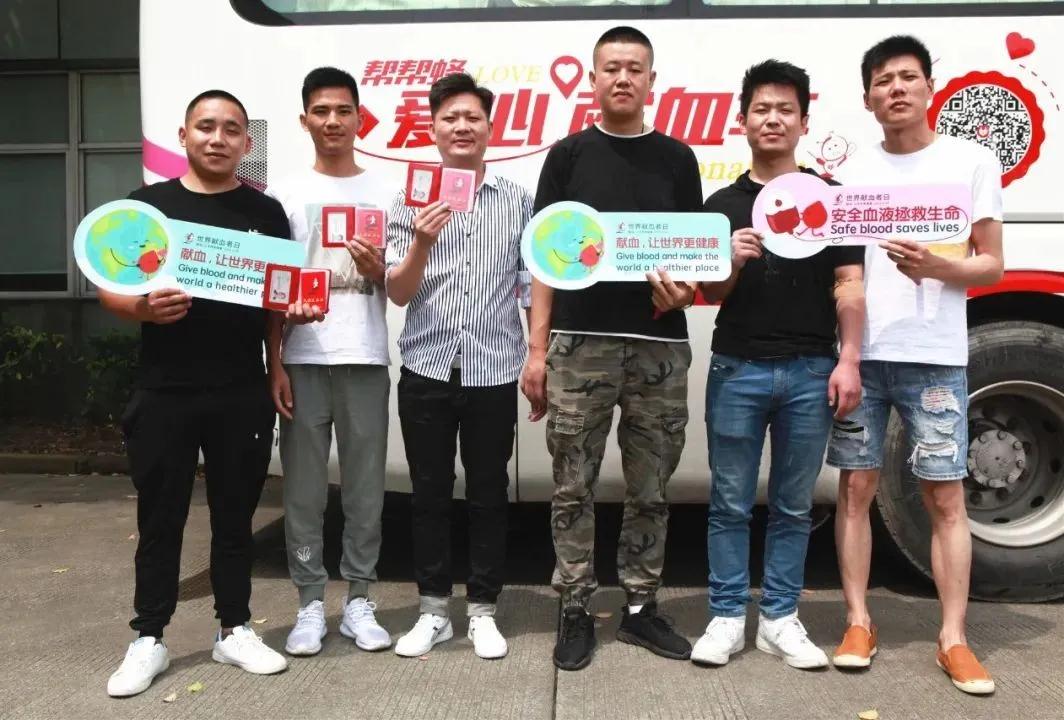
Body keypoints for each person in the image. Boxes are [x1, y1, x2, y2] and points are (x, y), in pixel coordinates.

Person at [520, 25, 702, 671]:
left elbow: (693, 256)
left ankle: (640, 608)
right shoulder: (568, 156)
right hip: (579, 347)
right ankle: (573, 609)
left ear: (652, 80)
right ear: (593, 78)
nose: (623, 78)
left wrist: (684, 293)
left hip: (658, 346)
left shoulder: (677, 158)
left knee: (650, 488)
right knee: (573, 486)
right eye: (611, 68)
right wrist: (537, 350)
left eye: (635, 68)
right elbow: (545, 259)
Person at [826, 35, 1003, 695]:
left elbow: (993, 263)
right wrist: (847, 354)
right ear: (867, 98)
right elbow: (845, 273)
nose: (895, 88)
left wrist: (938, 267)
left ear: (930, 86)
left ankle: (953, 638)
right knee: (855, 489)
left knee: (945, 496)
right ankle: (857, 621)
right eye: (883, 80)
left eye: (907, 77)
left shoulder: (970, 161)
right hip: (866, 358)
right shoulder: (851, 175)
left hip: (935, 359)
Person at [102, 90, 289, 698]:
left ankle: (234, 628)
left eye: (231, 129)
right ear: (183, 135)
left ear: (246, 143)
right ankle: (149, 637)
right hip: (165, 390)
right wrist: (142, 310)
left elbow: (276, 302)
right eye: (206, 126)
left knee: (236, 517)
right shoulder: (147, 208)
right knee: (161, 518)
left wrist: (277, 366)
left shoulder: (266, 213)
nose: (218, 138)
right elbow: (111, 287)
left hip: (241, 390)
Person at [690, 60, 864, 669]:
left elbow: (849, 282)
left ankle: (781, 619)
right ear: (741, 121)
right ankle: (725, 617)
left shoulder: (828, 198)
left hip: (812, 369)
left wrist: (849, 359)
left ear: (803, 123)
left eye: (785, 110)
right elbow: (709, 293)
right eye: (761, 109)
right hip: (737, 368)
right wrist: (731, 260)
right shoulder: (722, 203)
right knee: (729, 503)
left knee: (794, 506)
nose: (773, 119)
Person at [385, 72, 533, 660]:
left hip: (494, 370)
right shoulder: (409, 199)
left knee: (489, 492)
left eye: (473, 117)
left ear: (490, 128)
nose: (462, 127)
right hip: (427, 367)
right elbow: (398, 291)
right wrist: (421, 241)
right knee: (428, 493)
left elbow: (531, 287)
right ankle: (432, 611)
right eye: (450, 118)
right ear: (433, 129)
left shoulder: (518, 201)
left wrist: (538, 354)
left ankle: (483, 611)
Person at [265, 67, 392, 657]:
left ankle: (360, 599)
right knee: (304, 491)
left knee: (366, 489)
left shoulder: (387, 192)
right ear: (304, 120)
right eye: (321, 111)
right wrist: (275, 361)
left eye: (343, 110)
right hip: (303, 359)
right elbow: (272, 287)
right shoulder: (284, 194)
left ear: (361, 118)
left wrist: (379, 270)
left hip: (365, 355)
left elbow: (403, 280)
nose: (333, 121)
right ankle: (310, 602)